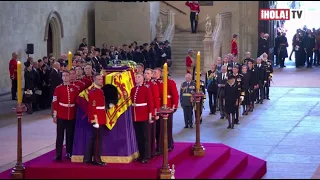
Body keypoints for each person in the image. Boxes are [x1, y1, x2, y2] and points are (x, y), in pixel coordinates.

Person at [52, 71, 79, 161]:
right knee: (60, 136)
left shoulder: (75, 88)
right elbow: (55, 102)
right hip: (61, 115)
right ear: (62, 77)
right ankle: (58, 154)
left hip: (71, 115)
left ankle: (69, 152)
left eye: (67, 75)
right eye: (64, 76)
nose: (65, 77)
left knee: (70, 135)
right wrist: (55, 115)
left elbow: (77, 102)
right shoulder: (58, 88)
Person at [83, 74, 107, 166]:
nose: (101, 80)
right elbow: (92, 107)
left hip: (100, 116)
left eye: (101, 79)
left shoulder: (99, 90)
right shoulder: (93, 91)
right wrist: (95, 121)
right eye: (99, 79)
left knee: (95, 138)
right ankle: (97, 159)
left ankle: (89, 158)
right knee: (97, 140)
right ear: (94, 80)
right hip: (97, 119)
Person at [130, 73, 154, 164]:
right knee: (138, 137)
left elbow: (150, 103)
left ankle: (145, 156)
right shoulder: (133, 89)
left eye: (139, 77)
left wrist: (150, 115)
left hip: (143, 115)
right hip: (135, 116)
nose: (137, 78)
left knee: (144, 137)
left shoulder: (146, 89)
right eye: (136, 77)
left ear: (142, 79)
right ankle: (140, 155)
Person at [144, 68, 160, 159]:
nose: (146, 75)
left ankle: (151, 151)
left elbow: (156, 99)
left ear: (151, 75)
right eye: (145, 73)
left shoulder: (153, 85)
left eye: (148, 73)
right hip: (143, 111)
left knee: (151, 133)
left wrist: (156, 112)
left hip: (151, 112)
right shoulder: (142, 84)